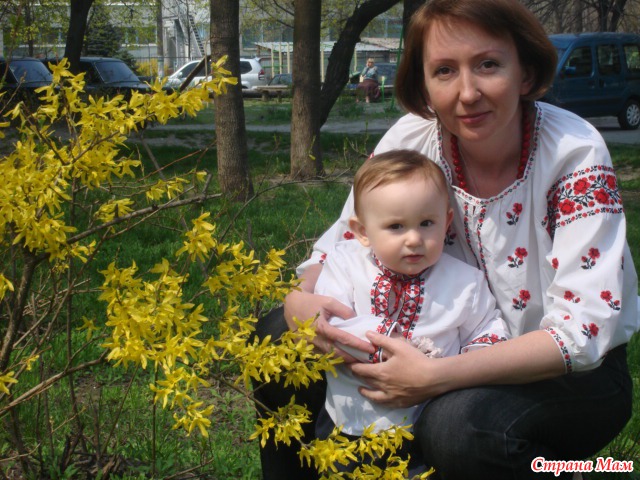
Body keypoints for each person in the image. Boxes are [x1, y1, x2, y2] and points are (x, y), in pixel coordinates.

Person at [254, 0, 640, 478]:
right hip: (440, 346)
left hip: (568, 373)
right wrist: (299, 300)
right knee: (277, 339)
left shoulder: (571, 151)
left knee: (456, 428)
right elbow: (346, 238)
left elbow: (583, 332)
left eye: (488, 64)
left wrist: (434, 377)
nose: (468, 92)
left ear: (525, 72)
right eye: (444, 71)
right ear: (424, 85)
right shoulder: (413, 140)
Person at [314, 150, 509, 472]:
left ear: (446, 222)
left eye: (427, 223)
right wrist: (391, 343)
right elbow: (331, 322)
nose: (415, 239)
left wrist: (457, 366)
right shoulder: (346, 264)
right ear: (362, 231)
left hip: (423, 421)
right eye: (396, 226)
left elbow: (488, 330)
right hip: (351, 416)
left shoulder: (465, 282)